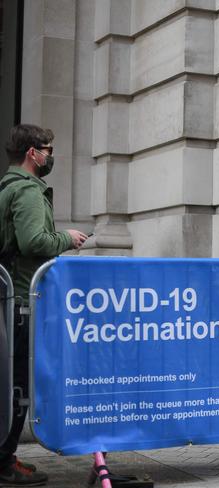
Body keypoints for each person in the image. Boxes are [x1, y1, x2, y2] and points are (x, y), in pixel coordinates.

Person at [0, 124, 88, 486]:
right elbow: (34, 241)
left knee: (11, 382)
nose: (52, 156)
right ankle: (5, 461)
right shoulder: (27, 192)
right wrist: (65, 238)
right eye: (48, 150)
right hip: (23, 298)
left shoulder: (8, 186)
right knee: (18, 383)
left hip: (13, 295)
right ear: (32, 153)